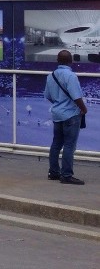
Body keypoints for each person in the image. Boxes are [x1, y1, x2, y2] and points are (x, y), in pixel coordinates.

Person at [44, 50, 89, 185]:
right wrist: (84, 109)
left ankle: (53, 172)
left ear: (57, 60)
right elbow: (76, 96)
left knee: (56, 144)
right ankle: (66, 175)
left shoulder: (50, 76)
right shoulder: (71, 76)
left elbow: (48, 96)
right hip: (71, 115)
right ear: (71, 61)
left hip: (57, 114)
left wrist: (59, 104)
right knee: (69, 145)